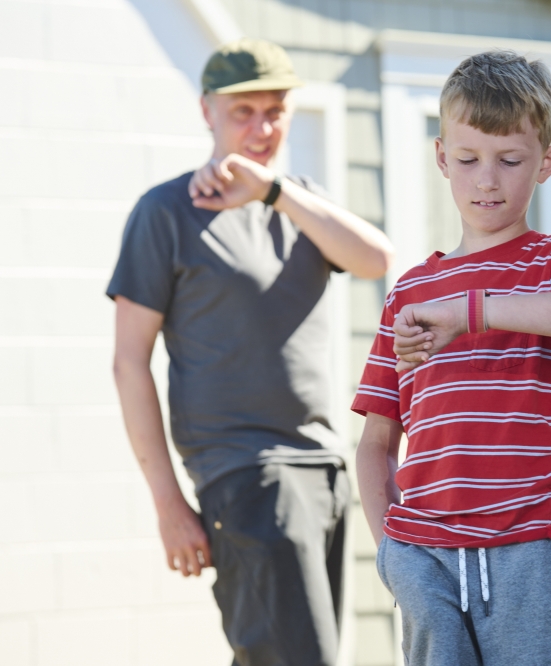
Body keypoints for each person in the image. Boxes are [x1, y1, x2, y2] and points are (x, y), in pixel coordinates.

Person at [108, 39, 394, 666]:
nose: (262, 128)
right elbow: (129, 363)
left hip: (324, 467)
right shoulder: (165, 213)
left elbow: (376, 260)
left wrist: (274, 194)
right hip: (247, 475)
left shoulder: (298, 202)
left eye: (276, 110)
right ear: (206, 110)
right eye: (244, 112)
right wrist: (168, 504)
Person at [352, 51, 551, 665]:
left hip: (536, 549)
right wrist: (391, 553)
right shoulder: (407, 292)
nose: (487, 179)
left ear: (546, 163)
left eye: (510, 160)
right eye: (468, 159)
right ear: (440, 157)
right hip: (426, 557)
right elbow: (378, 441)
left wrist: (473, 310)